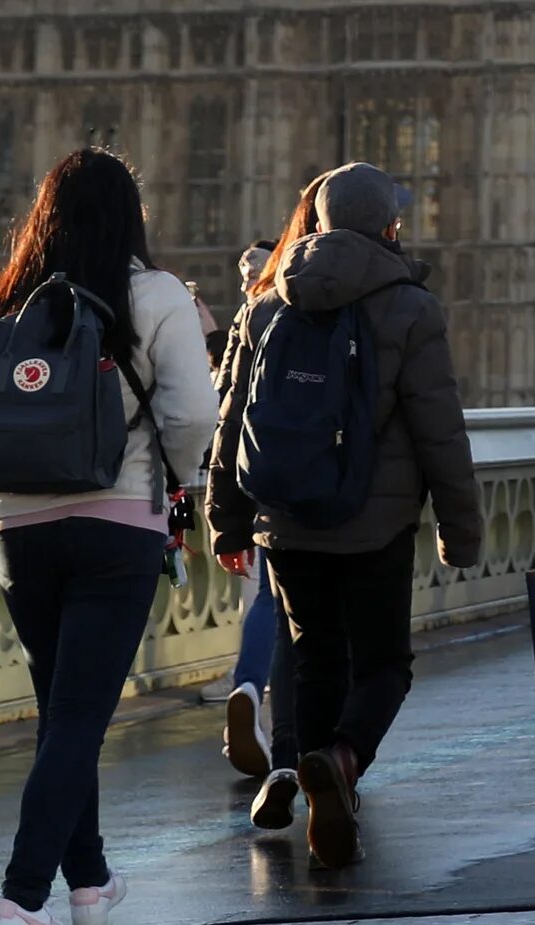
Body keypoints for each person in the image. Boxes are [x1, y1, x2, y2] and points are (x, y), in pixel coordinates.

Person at [0, 144, 218, 925]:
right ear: (131, 217)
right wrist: (178, 483)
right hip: (120, 523)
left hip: (17, 533)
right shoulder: (156, 295)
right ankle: (19, 899)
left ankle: (88, 881)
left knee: (64, 713)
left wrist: (10, 488)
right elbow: (193, 416)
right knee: (80, 717)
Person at [209, 163, 483, 871]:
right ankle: (341, 757)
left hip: (286, 516)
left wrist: (226, 520)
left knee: (315, 656)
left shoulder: (266, 301)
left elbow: (231, 419)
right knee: (385, 662)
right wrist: (461, 525)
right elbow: (440, 429)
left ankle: (312, 778)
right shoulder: (409, 305)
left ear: (319, 220)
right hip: (375, 521)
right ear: (389, 227)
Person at [217, 224, 296, 788]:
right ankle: (309, 748)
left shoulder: (255, 318)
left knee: (271, 599)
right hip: (321, 485)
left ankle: (248, 686)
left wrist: (224, 515)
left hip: (260, 478)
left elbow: (225, 407)